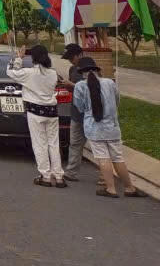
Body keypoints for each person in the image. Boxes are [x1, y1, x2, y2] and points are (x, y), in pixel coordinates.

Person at [73, 56, 145, 198]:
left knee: (103, 158)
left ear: (82, 72)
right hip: (112, 128)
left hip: (94, 129)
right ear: (97, 70)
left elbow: (80, 107)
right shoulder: (110, 83)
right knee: (118, 158)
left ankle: (111, 189)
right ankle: (129, 187)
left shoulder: (80, 86)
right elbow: (117, 101)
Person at [8, 45, 64, 187]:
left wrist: (19, 58)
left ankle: (45, 176)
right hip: (52, 112)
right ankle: (58, 176)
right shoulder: (53, 73)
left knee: (40, 144)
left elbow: (11, 72)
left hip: (35, 111)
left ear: (33, 57)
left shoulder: (29, 73)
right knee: (54, 144)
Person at [59, 44, 89, 181]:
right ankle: (71, 172)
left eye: (72, 57)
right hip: (76, 112)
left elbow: (91, 89)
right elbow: (74, 90)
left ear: (80, 54)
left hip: (91, 114)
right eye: (69, 58)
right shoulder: (72, 69)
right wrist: (66, 85)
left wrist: (72, 85)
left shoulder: (91, 69)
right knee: (75, 142)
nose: (71, 61)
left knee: (98, 145)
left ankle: (104, 175)